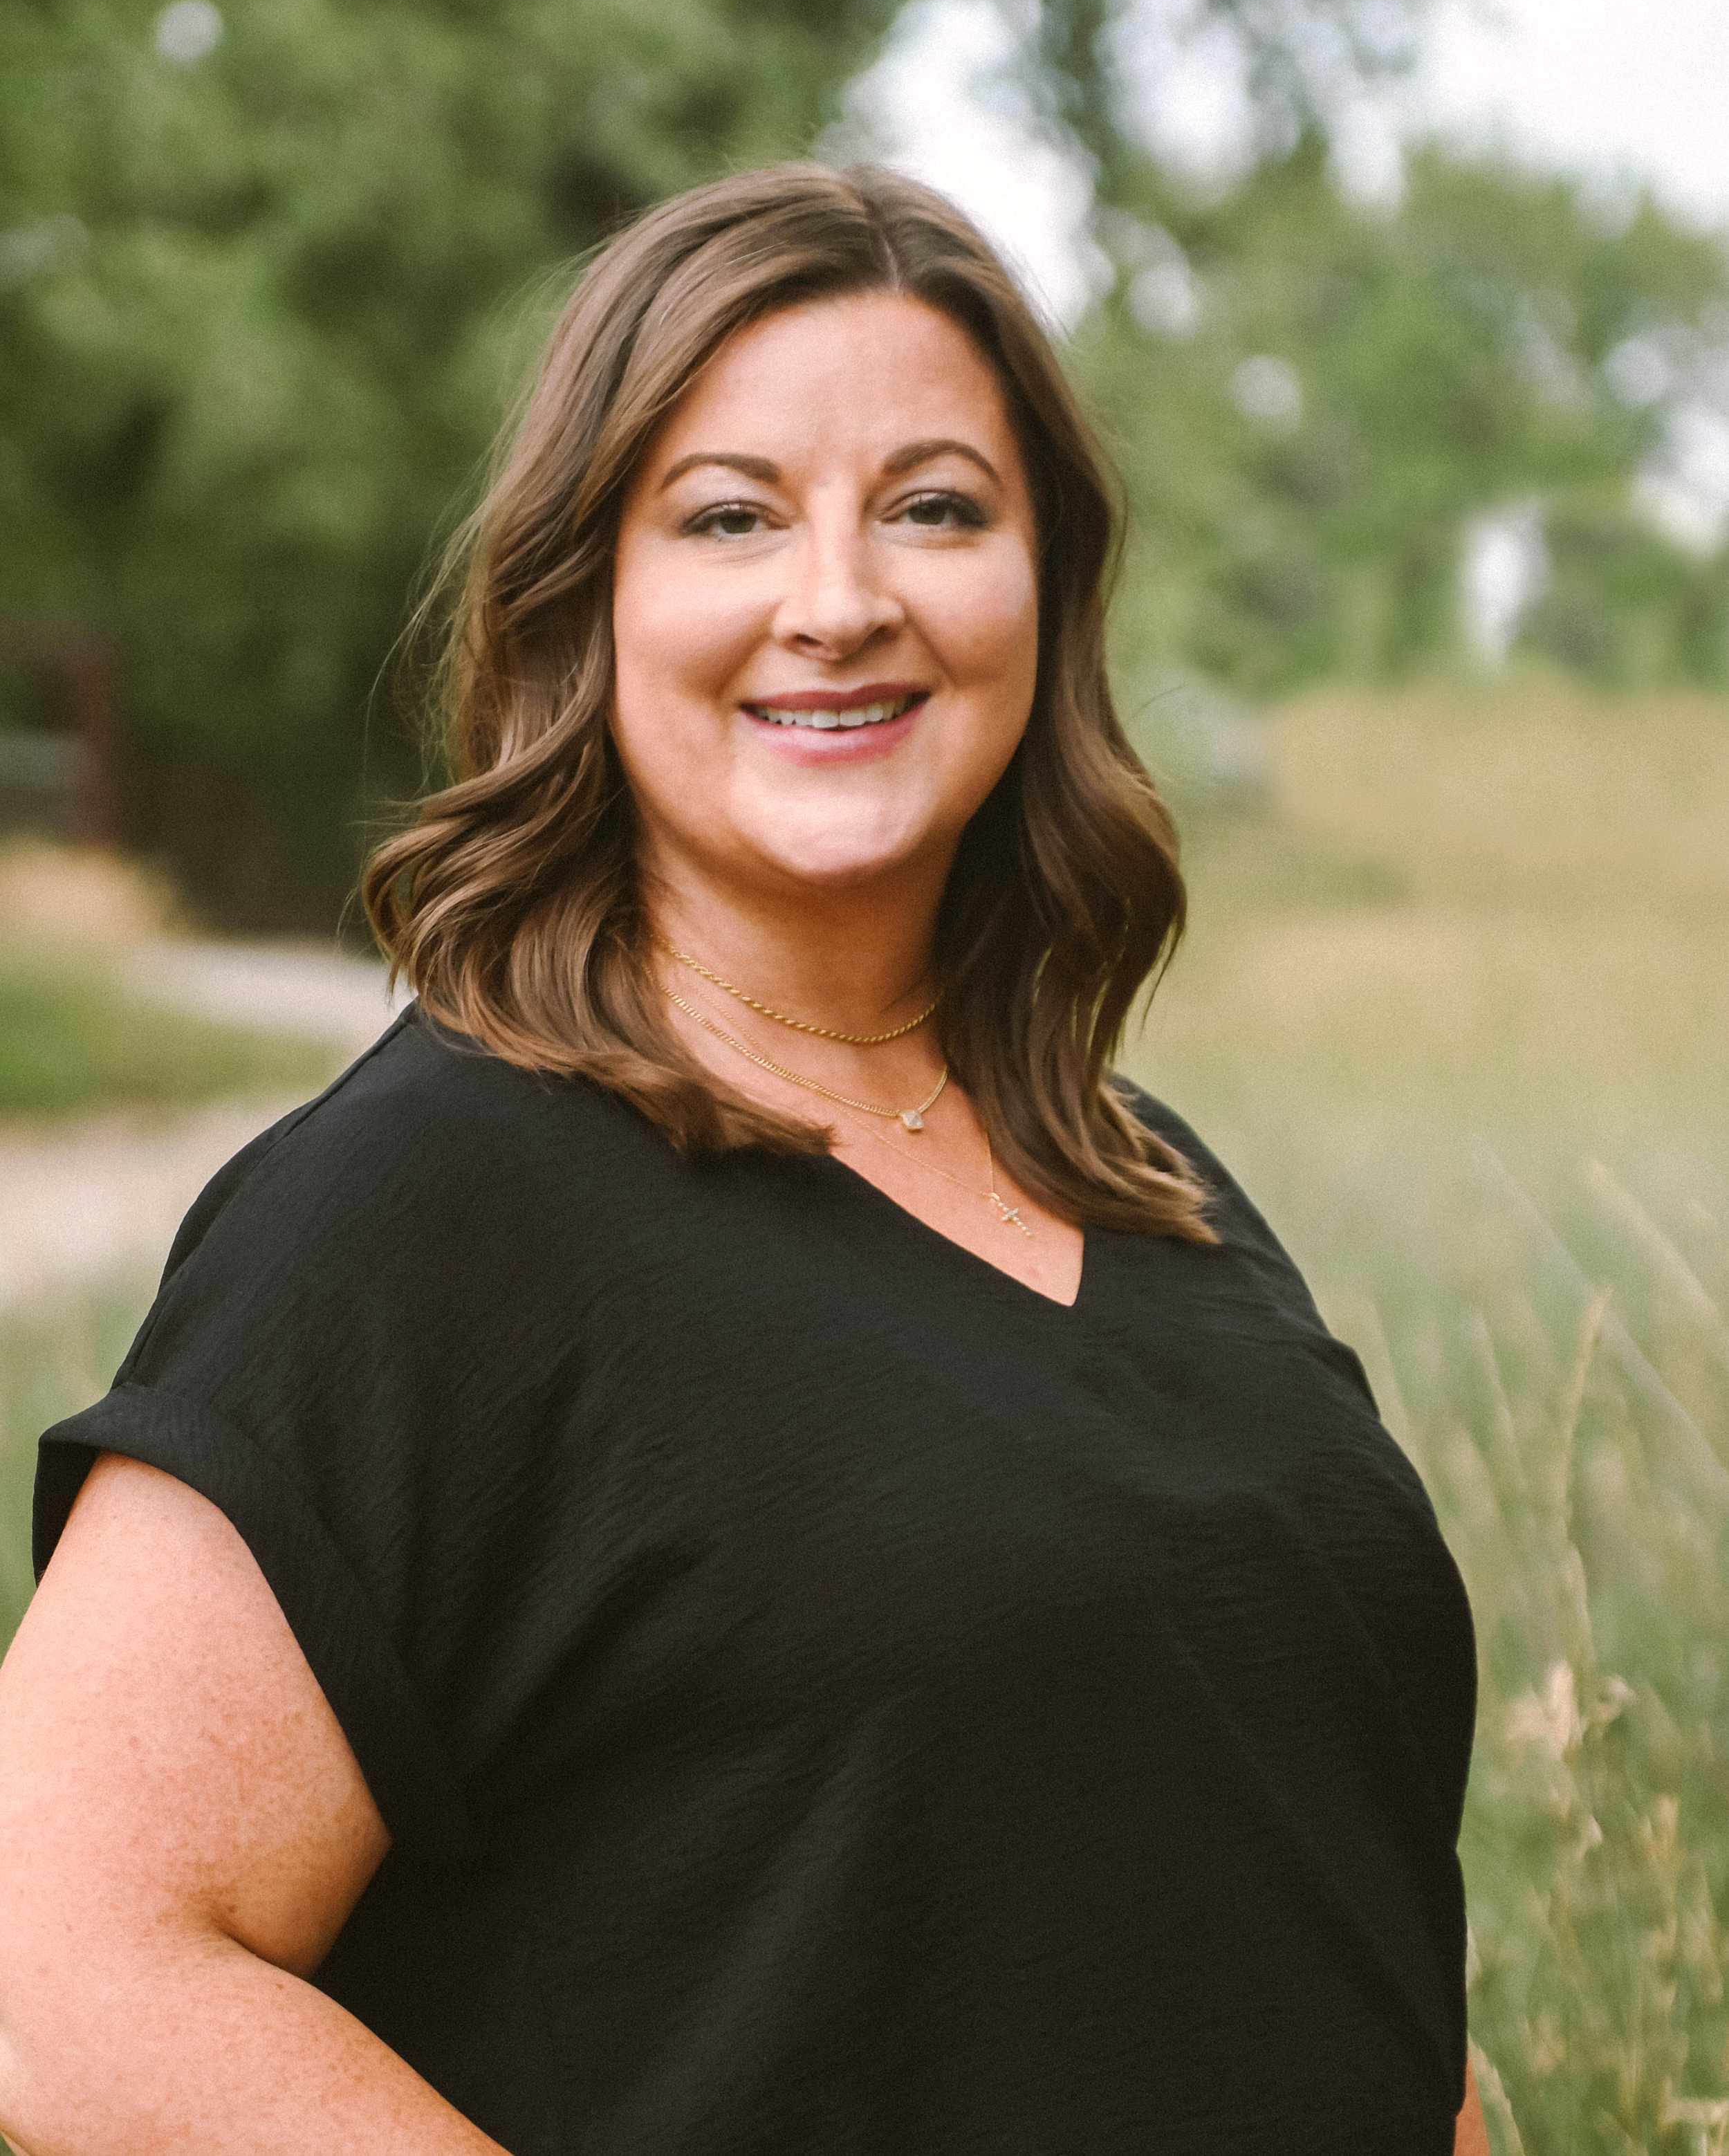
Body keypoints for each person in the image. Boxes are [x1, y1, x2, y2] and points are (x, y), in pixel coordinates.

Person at [0, 164, 1488, 2156]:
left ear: (1039, 589)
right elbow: (63, 1974)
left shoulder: (1158, 1189)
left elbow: (1318, 1923)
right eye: (727, 515)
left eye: (936, 506)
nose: (840, 596)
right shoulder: (428, 1211)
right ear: (583, 603)